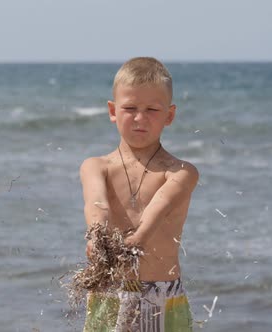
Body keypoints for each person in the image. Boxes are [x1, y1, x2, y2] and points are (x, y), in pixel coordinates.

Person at [79, 57, 199, 331]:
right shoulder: (96, 166)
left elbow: (160, 206)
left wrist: (137, 240)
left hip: (163, 296)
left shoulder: (181, 171)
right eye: (130, 108)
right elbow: (97, 205)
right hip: (110, 291)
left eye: (152, 109)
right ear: (113, 110)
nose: (139, 118)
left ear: (169, 115)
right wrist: (97, 235)